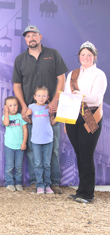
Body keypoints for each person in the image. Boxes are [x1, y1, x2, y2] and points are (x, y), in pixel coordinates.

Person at [12, 25, 68, 194]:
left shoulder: (53, 54)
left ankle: (54, 182)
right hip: (31, 113)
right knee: (31, 147)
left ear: (40, 36)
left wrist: (55, 101)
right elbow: (16, 85)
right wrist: (23, 106)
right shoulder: (20, 60)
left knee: (54, 147)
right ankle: (37, 182)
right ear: (25, 40)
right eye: (28, 36)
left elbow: (61, 79)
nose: (31, 38)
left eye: (34, 35)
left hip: (51, 110)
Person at [64, 41, 107, 203]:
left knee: (86, 155)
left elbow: (96, 98)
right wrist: (65, 121)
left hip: (90, 115)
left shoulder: (99, 75)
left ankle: (88, 194)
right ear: (79, 57)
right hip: (73, 115)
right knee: (79, 154)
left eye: (89, 55)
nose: (86, 57)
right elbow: (68, 97)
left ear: (94, 57)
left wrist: (80, 95)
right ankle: (81, 191)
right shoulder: (72, 74)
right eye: (83, 55)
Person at [26, 86, 57, 194]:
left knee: (47, 164)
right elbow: (29, 122)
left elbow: (52, 123)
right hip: (36, 140)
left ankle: (47, 185)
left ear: (47, 97)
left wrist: (56, 116)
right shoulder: (31, 107)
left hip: (48, 139)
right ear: (35, 97)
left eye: (44, 96)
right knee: (38, 164)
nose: (41, 97)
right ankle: (39, 185)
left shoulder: (49, 108)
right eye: (39, 95)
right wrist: (28, 116)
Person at [2, 96, 28, 192]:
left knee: (18, 166)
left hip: (19, 146)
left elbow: (25, 129)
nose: (13, 107)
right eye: (10, 106)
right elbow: (6, 123)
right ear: (6, 107)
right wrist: (6, 112)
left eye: (15, 105)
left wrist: (24, 142)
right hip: (9, 145)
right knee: (9, 166)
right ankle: (9, 183)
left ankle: (18, 183)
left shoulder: (20, 116)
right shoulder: (5, 116)